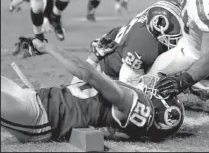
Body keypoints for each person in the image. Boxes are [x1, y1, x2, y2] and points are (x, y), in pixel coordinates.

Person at [2, 36, 184, 142]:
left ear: (155, 107)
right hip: (39, 104)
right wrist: (94, 58)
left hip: (38, 115)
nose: (152, 87)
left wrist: (49, 48)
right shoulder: (127, 120)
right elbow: (80, 92)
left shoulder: (128, 100)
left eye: (158, 92)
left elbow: (85, 74)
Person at [71, 0, 184, 88]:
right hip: (112, 69)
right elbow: (130, 88)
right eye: (175, 38)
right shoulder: (143, 45)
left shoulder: (157, 15)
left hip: (118, 42)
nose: (180, 39)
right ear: (157, 28)